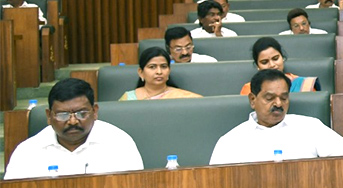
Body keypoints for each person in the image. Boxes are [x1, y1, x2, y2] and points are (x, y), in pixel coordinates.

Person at [210, 69, 343, 175]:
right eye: (269, 98)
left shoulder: (309, 127)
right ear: (252, 99)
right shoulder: (231, 141)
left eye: (284, 98)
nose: (278, 104)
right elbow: (216, 182)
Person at [3, 78, 143, 180]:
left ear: (95, 112)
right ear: (49, 116)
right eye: (63, 115)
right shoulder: (28, 151)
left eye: (81, 113)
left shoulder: (119, 143)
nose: (73, 121)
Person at [238, 37, 321, 95]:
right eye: (264, 62)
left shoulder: (305, 85)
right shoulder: (249, 89)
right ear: (257, 66)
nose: (272, 65)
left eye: (275, 58)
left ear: (282, 58)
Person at [119, 47, 203, 101]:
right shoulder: (128, 98)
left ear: (169, 70)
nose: (159, 72)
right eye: (152, 67)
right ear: (141, 72)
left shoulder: (183, 97)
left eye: (163, 66)